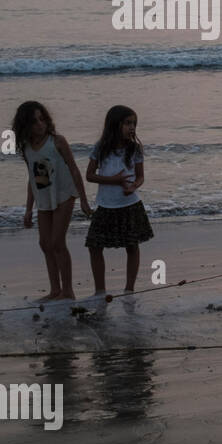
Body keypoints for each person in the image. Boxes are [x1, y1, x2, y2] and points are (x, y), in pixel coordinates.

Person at [13, 101, 91, 302]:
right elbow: (32, 178)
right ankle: (55, 290)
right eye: (34, 122)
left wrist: (83, 199)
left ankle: (68, 291)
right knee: (44, 243)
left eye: (42, 119)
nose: (40, 124)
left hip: (64, 193)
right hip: (44, 196)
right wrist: (28, 209)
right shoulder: (27, 147)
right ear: (25, 126)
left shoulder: (57, 141)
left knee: (57, 242)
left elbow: (73, 169)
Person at [84, 105, 154, 300]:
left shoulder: (134, 148)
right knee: (95, 245)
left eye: (134, 124)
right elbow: (89, 175)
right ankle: (100, 290)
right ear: (115, 124)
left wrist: (133, 187)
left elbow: (140, 176)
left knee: (132, 245)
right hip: (106, 205)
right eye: (127, 123)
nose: (132, 127)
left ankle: (129, 289)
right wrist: (113, 180)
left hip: (130, 204)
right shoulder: (101, 147)